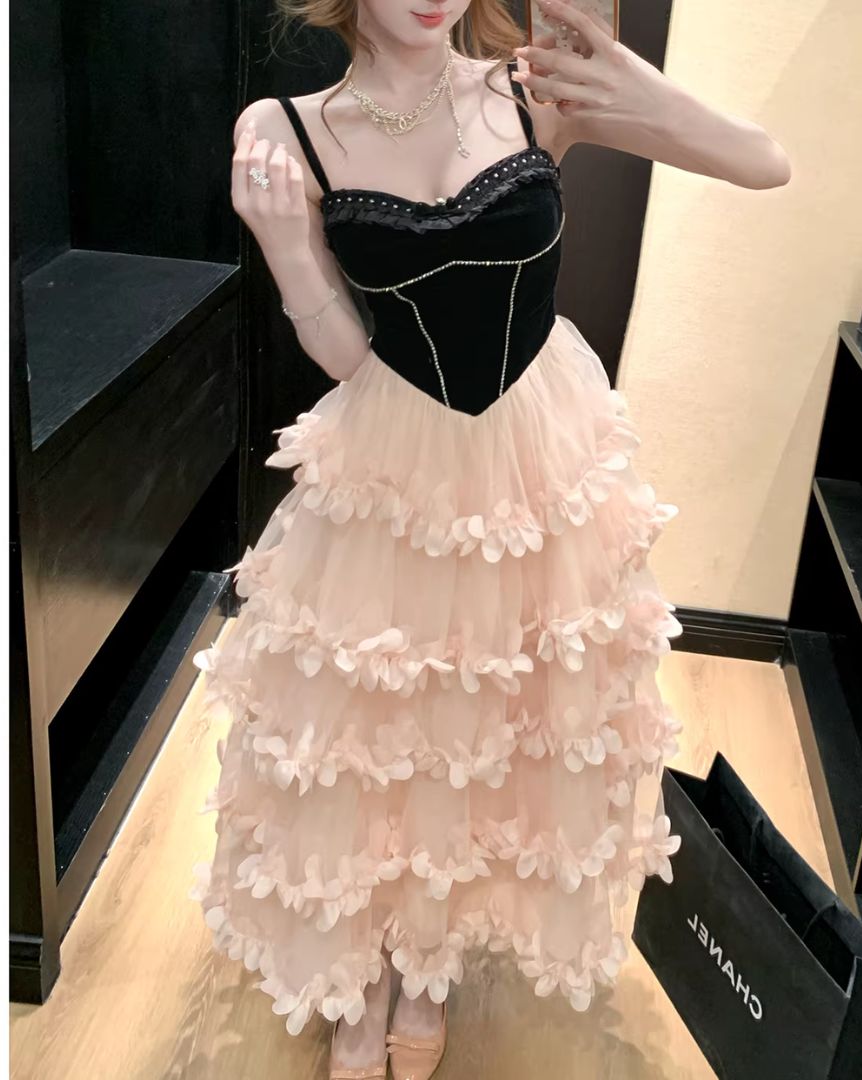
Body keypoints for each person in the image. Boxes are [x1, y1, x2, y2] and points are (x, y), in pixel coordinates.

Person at [188, 1, 790, 1076]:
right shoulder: (286, 127)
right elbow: (348, 359)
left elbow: (763, 163)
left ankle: (428, 957)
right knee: (379, 721)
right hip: (396, 447)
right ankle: (362, 970)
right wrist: (285, 246)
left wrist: (639, 88)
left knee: (499, 714)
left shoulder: (529, 90)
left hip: (537, 447)